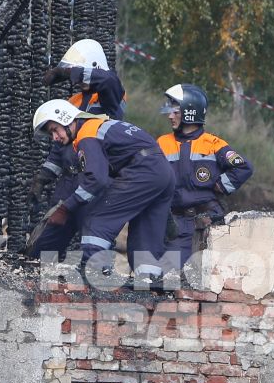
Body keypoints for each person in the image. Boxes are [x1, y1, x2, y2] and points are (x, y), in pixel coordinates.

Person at [32, 98, 173, 289]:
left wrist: (66, 208)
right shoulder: (97, 127)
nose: (55, 137)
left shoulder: (87, 135)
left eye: (54, 130)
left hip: (141, 171)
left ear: (65, 119)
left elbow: (96, 180)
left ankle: (95, 273)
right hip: (162, 171)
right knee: (146, 232)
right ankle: (149, 283)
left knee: (97, 220)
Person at [30, 39, 127, 259]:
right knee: (49, 235)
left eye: (79, 73)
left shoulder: (111, 96)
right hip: (69, 179)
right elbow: (60, 144)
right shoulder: (72, 102)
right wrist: (42, 178)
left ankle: (97, 283)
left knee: (95, 237)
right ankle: (39, 277)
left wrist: (66, 73)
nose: (76, 81)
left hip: (97, 176)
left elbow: (109, 79)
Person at [156, 84, 252, 274]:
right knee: (164, 277)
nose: (170, 116)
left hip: (206, 221)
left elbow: (243, 168)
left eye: (175, 111)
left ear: (190, 112)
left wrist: (220, 186)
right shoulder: (161, 143)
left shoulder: (213, 144)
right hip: (173, 223)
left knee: (203, 278)